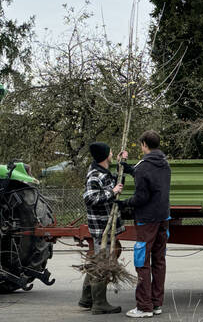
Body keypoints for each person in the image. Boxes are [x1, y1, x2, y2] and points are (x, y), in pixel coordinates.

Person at [116, 130, 172, 318]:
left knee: (142, 261)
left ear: (144, 145)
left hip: (146, 219)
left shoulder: (143, 167)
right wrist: (130, 169)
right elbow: (150, 180)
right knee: (159, 261)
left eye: (141, 144)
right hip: (163, 218)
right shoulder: (165, 165)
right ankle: (156, 304)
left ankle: (144, 307)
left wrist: (124, 203)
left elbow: (141, 197)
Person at [78, 142, 127, 314]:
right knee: (102, 262)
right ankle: (99, 303)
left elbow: (116, 183)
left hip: (106, 225)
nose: (112, 153)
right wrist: (111, 192)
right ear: (105, 155)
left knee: (98, 260)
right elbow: (89, 198)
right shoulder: (94, 175)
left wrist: (122, 164)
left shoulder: (104, 173)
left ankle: (87, 298)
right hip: (101, 227)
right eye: (111, 152)